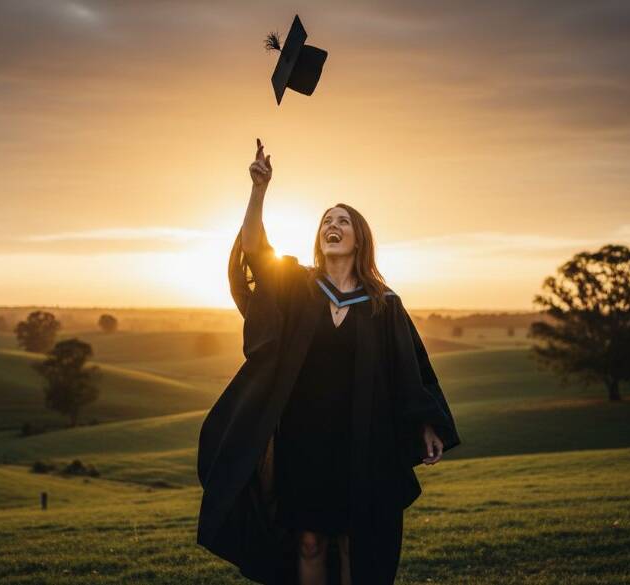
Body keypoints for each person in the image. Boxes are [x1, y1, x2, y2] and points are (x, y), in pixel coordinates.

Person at [196, 139, 461, 585]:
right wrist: (259, 190)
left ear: (359, 238)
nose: (332, 226)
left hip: (364, 440)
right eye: (325, 222)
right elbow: (255, 250)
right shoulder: (298, 286)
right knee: (310, 541)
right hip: (304, 439)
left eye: (342, 221)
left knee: (356, 541)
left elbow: (410, 368)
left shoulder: (383, 304)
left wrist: (428, 423)